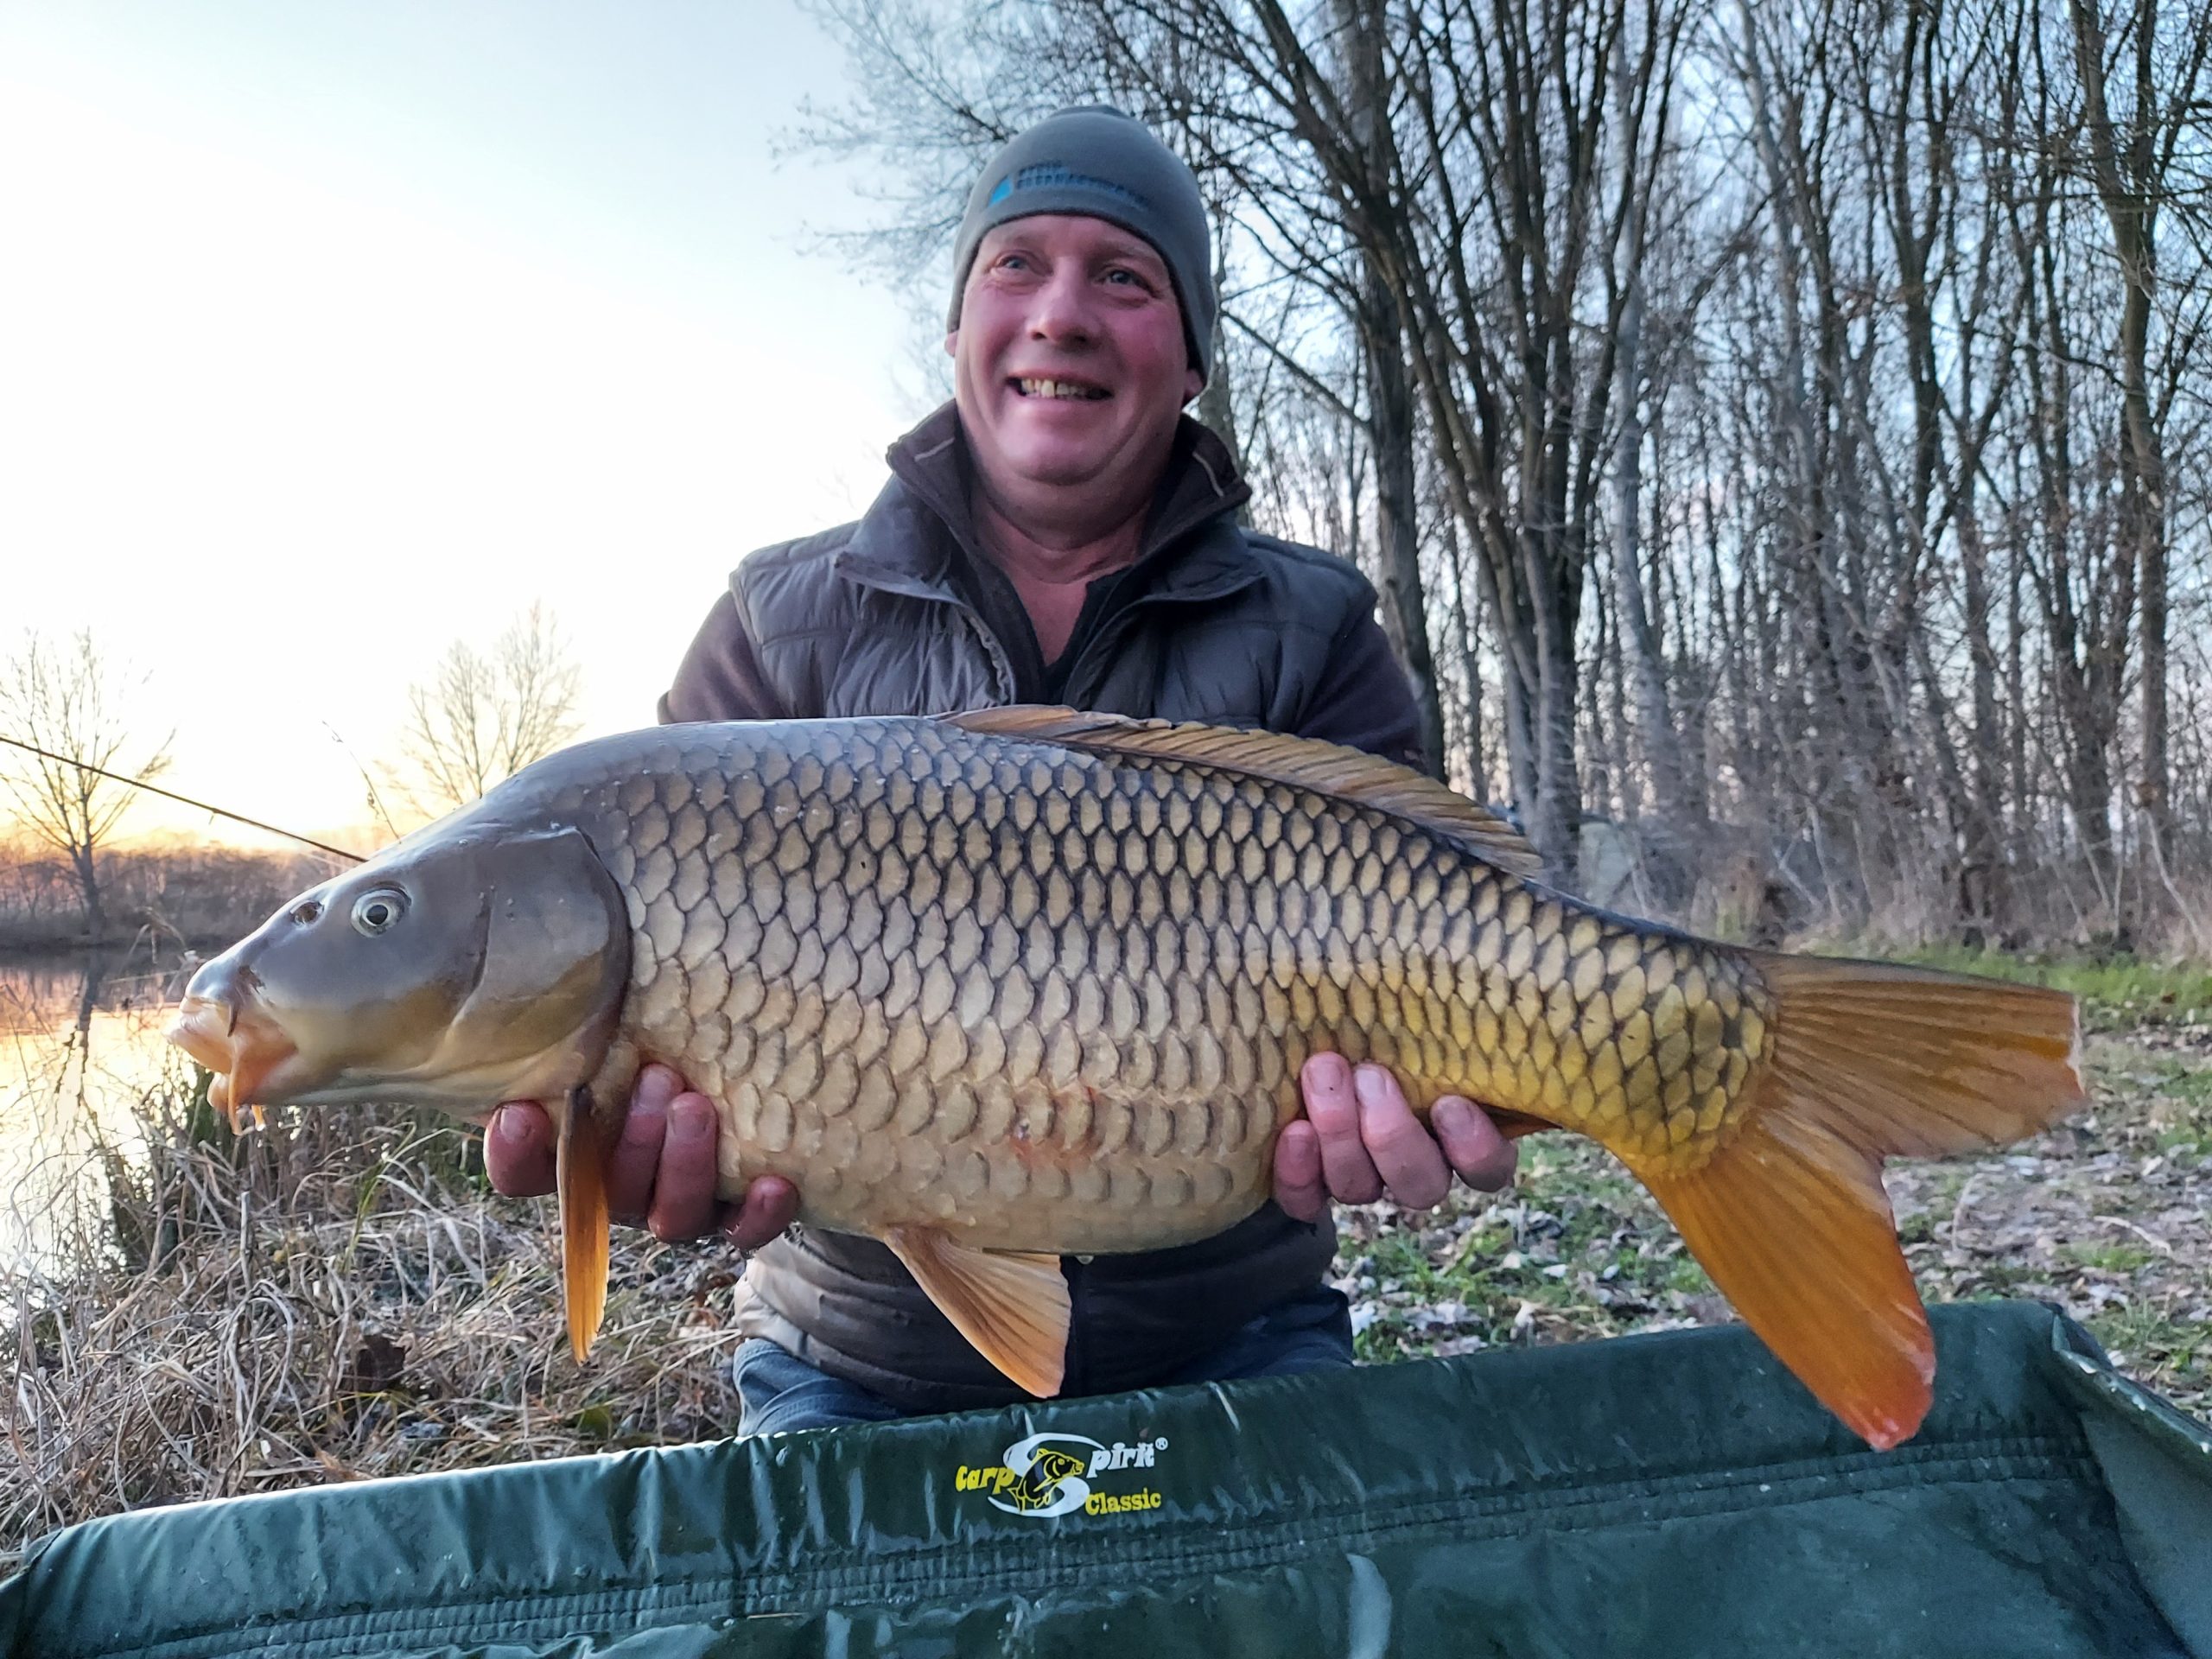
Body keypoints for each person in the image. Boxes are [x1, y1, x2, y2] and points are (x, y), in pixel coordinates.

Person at [486, 106, 1516, 1433]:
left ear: (1193, 354)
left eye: (1125, 277)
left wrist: (1410, 1125)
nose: (1062, 313)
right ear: (962, 327)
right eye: (1015, 265)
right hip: (850, 1365)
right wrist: (633, 1163)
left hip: (1240, 1343)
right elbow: (651, 1119)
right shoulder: (772, 627)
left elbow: (1442, 974)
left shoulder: (1318, 636)